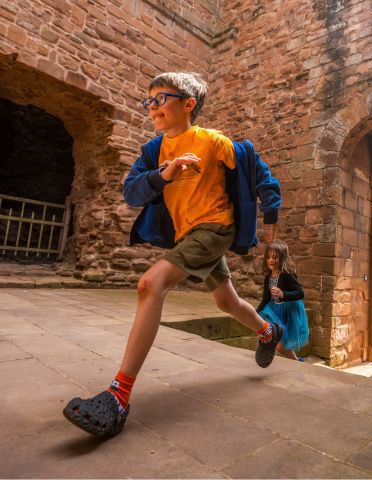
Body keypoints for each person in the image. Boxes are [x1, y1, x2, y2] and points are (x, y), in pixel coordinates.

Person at [63, 72, 282, 437]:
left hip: (216, 227)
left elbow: (258, 173)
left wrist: (271, 213)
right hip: (187, 235)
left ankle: (118, 396)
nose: (152, 108)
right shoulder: (154, 151)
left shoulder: (214, 142)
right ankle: (267, 330)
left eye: (160, 99)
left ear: (188, 103)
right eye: (148, 101)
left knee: (151, 283)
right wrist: (161, 176)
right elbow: (131, 194)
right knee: (227, 302)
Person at [257, 240, 309, 361]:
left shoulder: (287, 275)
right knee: (265, 328)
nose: (271, 260)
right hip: (274, 309)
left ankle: (295, 361)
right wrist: (255, 312)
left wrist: (283, 294)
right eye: (268, 257)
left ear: (282, 258)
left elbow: (300, 293)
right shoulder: (268, 276)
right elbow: (265, 298)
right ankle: (264, 350)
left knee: (281, 346)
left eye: (275, 257)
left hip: (289, 311)